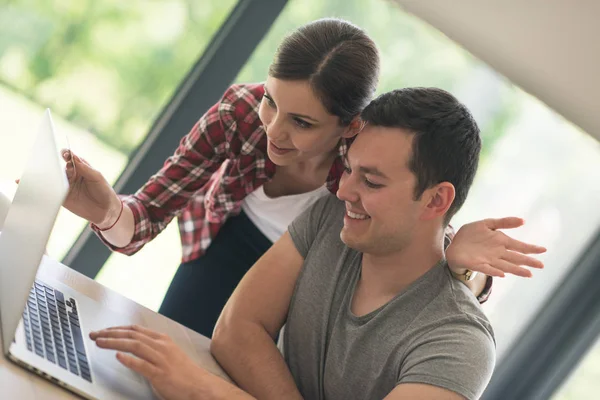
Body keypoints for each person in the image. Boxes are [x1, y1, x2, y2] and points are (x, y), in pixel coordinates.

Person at [63, 18, 532, 338]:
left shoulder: (364, 164)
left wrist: (463, 267)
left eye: (302, 123)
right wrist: (106, 210)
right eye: (271, 101)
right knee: (159, 356)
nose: (274, 129)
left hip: (303, 288)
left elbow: (439, 255)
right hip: (220, 248)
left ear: (350, 126)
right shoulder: (239, 114)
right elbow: (138, 225)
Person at [89, 87, 546, 400]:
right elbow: (237, 328)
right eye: (349, 168)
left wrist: (204, 390)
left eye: (371, 181)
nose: (345, 190)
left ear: (436, 200)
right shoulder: (333, 217)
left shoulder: (457, 345)